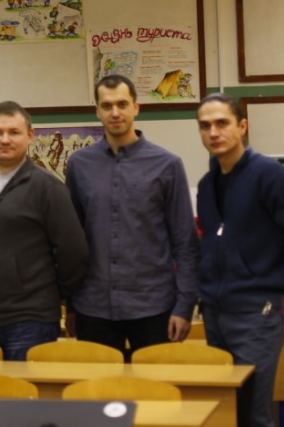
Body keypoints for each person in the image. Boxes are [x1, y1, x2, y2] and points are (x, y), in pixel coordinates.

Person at [196, 93, 284, 427]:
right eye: (205, 126)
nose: (214, 132)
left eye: (222, 123)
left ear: (242, 126)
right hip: (215, 314)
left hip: (256, 315)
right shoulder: (207, 185)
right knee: (227, 413)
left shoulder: (272, 177)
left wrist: (267, 268)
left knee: (254, 416)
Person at [64, 75, 199, 358]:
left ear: (136, 107)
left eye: (122, 104)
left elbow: (185, 243)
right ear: (97, 111)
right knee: (98, 385)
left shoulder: (167, 165)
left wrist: (184, 306)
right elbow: (72, 243)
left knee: (155, 386)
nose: (115, 113)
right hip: (93, 306)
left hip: (153, 306)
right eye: (107, 105)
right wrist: (72, 304)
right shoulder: (79, 165)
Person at [0, 101, 88, 361]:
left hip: (30, 321)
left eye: (14, 132)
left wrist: (51, 294)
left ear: (30, 136)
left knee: (24, 387)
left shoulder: (47, 187)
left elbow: (74, 253)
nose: (5, 139)